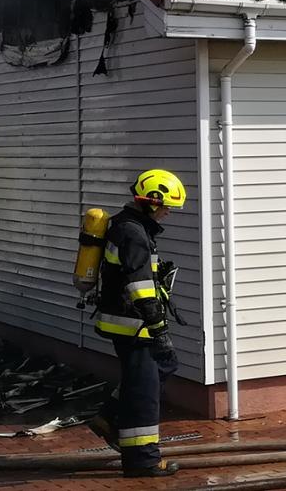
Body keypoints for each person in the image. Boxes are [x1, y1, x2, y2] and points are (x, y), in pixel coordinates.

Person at [85, 169, 185, 478]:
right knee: (145, 390)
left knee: (162, 368)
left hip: (129, 321)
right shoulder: (133, 233)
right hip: (133, 325)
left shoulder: (131, 227)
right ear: (152, 202)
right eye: (167, 206)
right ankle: (142, 461)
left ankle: (108, 419)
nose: (168, 212)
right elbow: (139, 286)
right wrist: (158, 327)